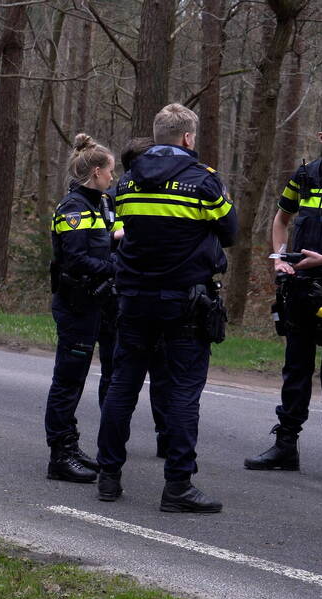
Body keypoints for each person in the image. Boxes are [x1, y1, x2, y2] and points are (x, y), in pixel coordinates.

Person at [95, 103, 237, 511]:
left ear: (158, 137)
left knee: (122, 385)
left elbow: (127, 230)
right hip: (184, 302)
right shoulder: (204, 183)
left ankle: (108, 477)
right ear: (188, 138)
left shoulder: (127, 183)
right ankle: (177, 486)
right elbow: (230, 232)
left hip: (134, 299)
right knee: (181, 392)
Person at [245, 111, 322, 485]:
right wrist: (279, 261)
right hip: (301, 288)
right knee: (295, 369)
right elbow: (280, 220)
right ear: (321, 136)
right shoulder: (303, 176)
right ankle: (285, 445)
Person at [44, 134, 117, 483]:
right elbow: (75, 259)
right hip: (76, 305)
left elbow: (105, 245)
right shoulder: (73, 207)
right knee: (69, 380)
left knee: (80, 378)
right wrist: (116, 268)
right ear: (97, 171)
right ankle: (60, 454)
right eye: (111, 172)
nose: (113, 178)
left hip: (96, 304)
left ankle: (71, 446)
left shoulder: (100, 204)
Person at [113, 137, 172, 461]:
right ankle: (112, 454)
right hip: (139, 296)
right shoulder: (124, 194)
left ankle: (162, 439)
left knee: (148, 378)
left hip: (138, 296)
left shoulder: (141, 195)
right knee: (126, 381)